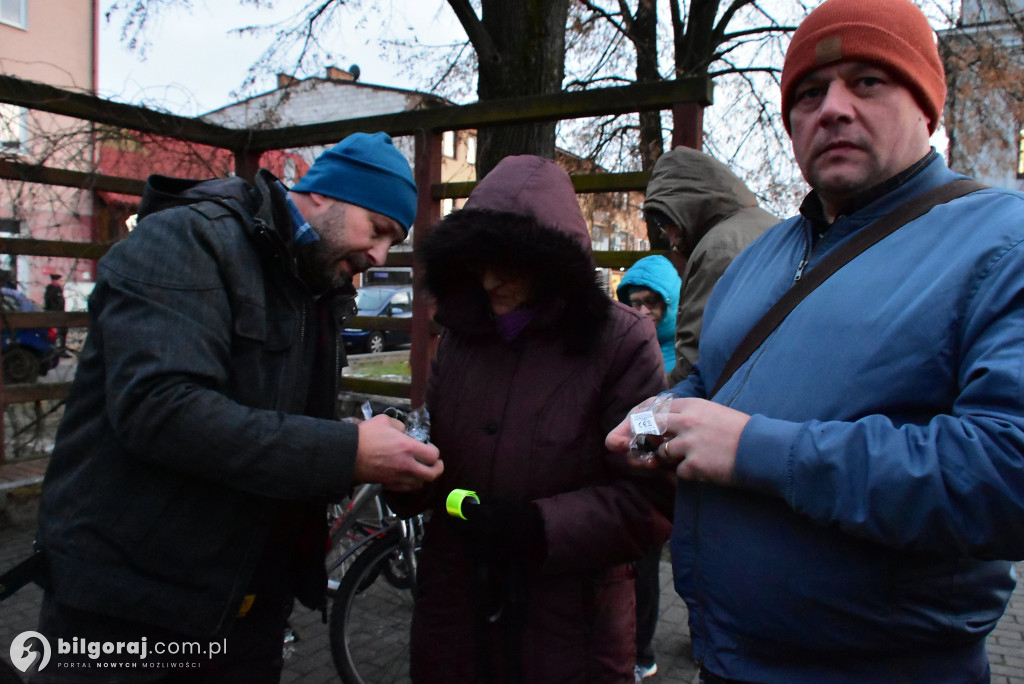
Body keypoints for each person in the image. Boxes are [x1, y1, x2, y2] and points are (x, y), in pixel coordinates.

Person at [607, 0, 1024, 681]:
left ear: (927, 108)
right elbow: (714, 383)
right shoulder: (760, 256)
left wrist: (756, 452)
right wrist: (655, 421)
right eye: (807, 93)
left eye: (867, 82)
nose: (830, 108)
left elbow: (1008, 474)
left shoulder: (1003, 242)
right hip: (729, 659)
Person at [32, 132, 443, 681]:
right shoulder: (187, 239)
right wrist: (344, 450)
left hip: (244, 608)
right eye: (378, 231)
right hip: (130, 609)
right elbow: (159, 409)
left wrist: (356, 443)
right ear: (324, 195)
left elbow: (261, 413)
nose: (379, 256)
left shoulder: (312, 283)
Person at [390, 155, 674, 682]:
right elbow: (442, 449)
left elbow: (649, 498)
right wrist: (411, 475)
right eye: (479, 260)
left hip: (568, 627)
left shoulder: (622, 342)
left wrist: (538, 529)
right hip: (457, 614)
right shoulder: (459, 334)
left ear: (553, 263)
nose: (491, 279)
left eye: (511, 262)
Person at [642, 147, 775, 384]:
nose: (671, 239)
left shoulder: (718, 248)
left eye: (665, 221)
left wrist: (650, 404)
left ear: (685, 205)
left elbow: (696, 363)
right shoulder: (768, 225)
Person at [614, 254, 681, 680]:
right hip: (626, 469)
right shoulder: (623, 348)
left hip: (662, 476)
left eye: (651, 303)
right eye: (633, 302)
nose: (641, 312)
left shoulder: (685, 357)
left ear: (670, 305)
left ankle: (642, 653)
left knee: (647, 567)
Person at [43, 273, 67, 352]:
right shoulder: (53, 289)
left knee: (62, 331)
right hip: (55, 314)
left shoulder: (57, 289)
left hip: (59, 314)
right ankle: (58, 349)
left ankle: (60, 348)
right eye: (61, 280)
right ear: (56, 281)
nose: (62, 282)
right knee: (57, 332)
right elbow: (52, 303)